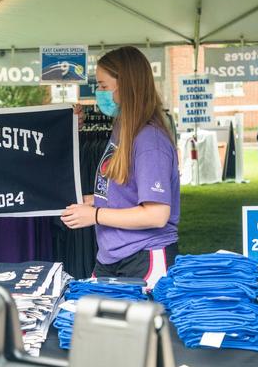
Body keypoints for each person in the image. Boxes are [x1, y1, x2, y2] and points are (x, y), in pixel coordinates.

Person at [62, 46, 180, 289]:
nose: (98, 93)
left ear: (126, 86)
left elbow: (157, 214)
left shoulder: (150, 141)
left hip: (143, 256)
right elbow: (127, 190)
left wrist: (94, 215)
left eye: (104, 86)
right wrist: (94, 200)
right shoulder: (122, 129)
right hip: (111, 255)